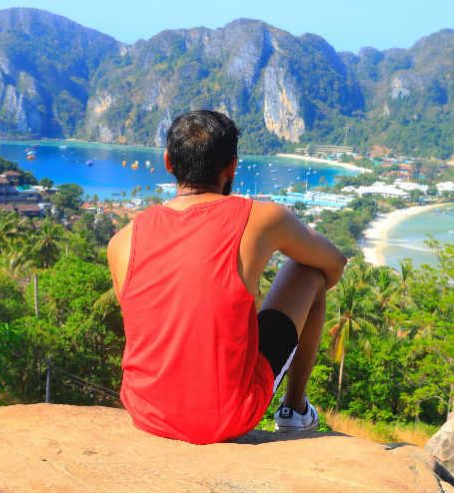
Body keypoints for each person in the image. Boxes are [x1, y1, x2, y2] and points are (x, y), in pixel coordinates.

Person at [106, 110, 347, 445]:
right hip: (227, 415)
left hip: (146, 411)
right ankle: (294, 412)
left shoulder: (123, 240)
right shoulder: (262, 218)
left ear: (168, 163)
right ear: (232, 166)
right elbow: (333, 264)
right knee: (308, 269)